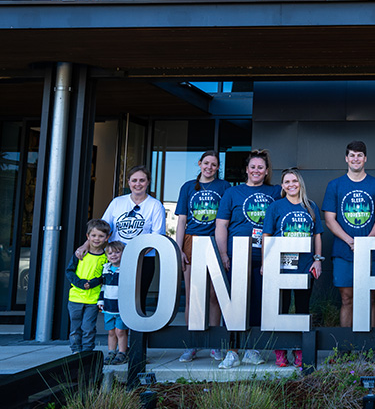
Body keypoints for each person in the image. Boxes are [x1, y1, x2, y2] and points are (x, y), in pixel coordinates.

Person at [215, 149, 282, 368]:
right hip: (238, 255)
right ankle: (232, 351)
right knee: (234, 305)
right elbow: (221, 225)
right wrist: (224, 254)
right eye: (252, 167)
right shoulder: (232, 193)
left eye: (260, 167)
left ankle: (253, 349)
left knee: (258, 304)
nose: (256, 170)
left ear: (266, 171)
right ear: (246, 170)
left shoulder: (275, 192)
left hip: (265, 258)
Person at [322, 140, 375, 330]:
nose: (355, 159)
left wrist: (366, 243)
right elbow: (329, 219)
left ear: (365, 159)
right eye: (352, 155)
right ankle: (345, 349)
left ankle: (372, 347)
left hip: (370, 252)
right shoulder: (335, 185)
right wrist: (350, 241)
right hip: (343, 251)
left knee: (370, 298)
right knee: (346, 299)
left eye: (359, 155)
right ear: (346, 158)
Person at [262, 168, 323, 368]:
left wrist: (317, 260)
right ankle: (281, 350)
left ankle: (299, 349)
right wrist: (266, 262)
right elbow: (267, 236)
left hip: (304, 267)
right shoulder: (276, 207)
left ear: (300, 184)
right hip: (281, 267)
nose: (291, 185)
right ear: (282, 186)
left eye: (294, 181)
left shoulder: (311, 206)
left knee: (302, 309)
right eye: (287, 182)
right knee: (281, 309)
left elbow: (317, 236)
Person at [175, 151, 230, 363]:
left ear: (218, 167)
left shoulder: (224, 187)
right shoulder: (188, 187)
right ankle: (192, 343)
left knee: (215, 294)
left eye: (214, 164)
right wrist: (178, 249)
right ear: (199, 164)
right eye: (206, 163)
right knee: (192, 296)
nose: (209, 167)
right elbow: (181, 221)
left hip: (215, 242)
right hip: (192, 241)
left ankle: (215, 344)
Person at [91, 165, 166, 316]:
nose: (138, 184)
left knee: (138, 300)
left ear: (148, 182)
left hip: (144, 260)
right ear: (128, 182)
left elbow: (157, 236)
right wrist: (87, 246)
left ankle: (138, 338)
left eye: (142, 180)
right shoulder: (117, 203)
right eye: (134, 180)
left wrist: (134, 255)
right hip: (116, 260)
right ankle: (118, 336)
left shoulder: (155, 205)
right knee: (116, 300)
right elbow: (102, 229)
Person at [67, 219, 109, 355]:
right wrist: (80, 283)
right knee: (75, 328)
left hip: (92, 300)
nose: (97, 239)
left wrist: (92, 283)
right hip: (75, 299)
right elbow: (69, 271)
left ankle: (87, 352)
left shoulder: (105, 257)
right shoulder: (80, 253)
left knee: (88, 327)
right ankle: (76, 351)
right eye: (94, 235)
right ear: (88, 236)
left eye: (101, 236)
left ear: (107, 238)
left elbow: (104, 276)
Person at [98, 241, 127, 366]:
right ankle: (111, 352)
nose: (113, 255)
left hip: (121, 307)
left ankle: (122, 353)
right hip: (108, 306)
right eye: (110, 253)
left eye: (117, 252)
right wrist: (101, 300)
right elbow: (103, 286)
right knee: (111, 331)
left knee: (120, 331)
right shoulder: (105, 269)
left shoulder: (126, 269)